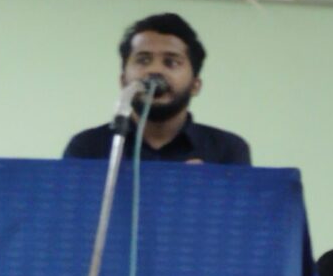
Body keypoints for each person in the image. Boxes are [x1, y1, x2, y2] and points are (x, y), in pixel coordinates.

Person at [62, 12, 253, 164]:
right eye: (143, 60)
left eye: (171, 62)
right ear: (123, 81)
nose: (154, 70)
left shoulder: (227, 150)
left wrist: (206, 191)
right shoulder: (87, 147)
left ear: (195, 85)